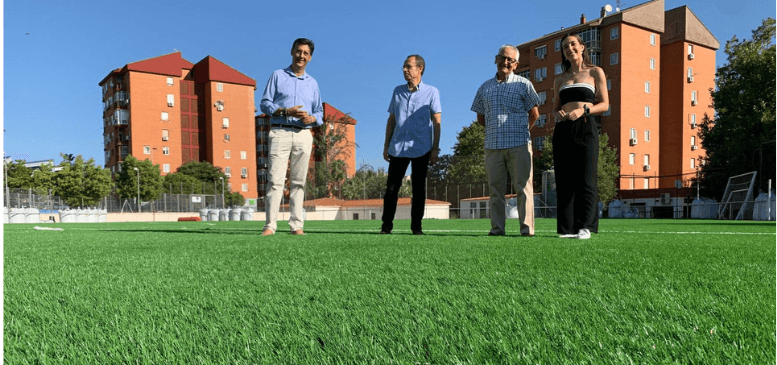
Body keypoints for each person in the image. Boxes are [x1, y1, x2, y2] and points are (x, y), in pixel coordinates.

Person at [471, 44, 540, 237]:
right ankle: (497, 229)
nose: (505, 62)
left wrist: (521, 131)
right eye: (502, 57)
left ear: (516, 64)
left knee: (523, 188)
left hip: (519, 144)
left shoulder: (524, 84)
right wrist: (496, 130)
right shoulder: (484, 87)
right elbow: (481, 118)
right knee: (495, 190)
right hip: (493, 145)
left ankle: (527, 230)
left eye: (510, 59)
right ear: (495, 59)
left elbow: (534, 114)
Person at [259, 38, 324, 236]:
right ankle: (270, 225)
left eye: (305, 53)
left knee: (298, 182)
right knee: (275, 180)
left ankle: (297, 225)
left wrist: (312, 118)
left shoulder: (313, 84)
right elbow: (265, 103)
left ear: (310, 57)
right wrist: (286, 111)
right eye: (298, 51)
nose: (301, 56)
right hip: (280, 131)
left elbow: (320, 113)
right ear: (291, 52)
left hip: (304, 134)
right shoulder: (277, 76)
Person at [552, 34, 609, 239]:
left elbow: (604, 104)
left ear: (582, 47)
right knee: (564, 180)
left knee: (587, 179)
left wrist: (584, 110)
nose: (569, 48)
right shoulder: (560, 78)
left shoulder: (595, 72)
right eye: (565, 46)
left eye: (573, 44)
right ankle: (566, 229)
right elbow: (554, 108)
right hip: (563, 130)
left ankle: (586, 227)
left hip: (585, 127)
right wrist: (557, 114)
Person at [381, 54, 441, 235]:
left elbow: (437, 121)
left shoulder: (432, 92)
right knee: (391, 190)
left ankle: (416, 227)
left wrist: (435, 148)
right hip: (397, 148)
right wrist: (386, 145)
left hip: (421, 148)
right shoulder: (397, 91)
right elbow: (391, 120)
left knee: (419, 191)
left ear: (419, 68)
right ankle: (386, 226)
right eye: (404, 67)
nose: (405, 70)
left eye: (408, 66)